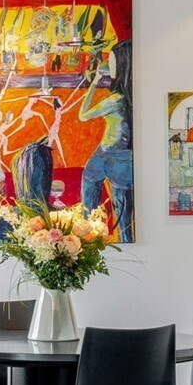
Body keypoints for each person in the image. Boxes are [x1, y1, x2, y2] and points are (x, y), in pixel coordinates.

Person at [77, 40, 134, 241]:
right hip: (122, 157)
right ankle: (125, 243)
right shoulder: (132, 98)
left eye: (112, 63)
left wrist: (93, 83)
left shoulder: (116, 99)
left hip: (108, 156)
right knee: (124, 218)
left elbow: (83, 115)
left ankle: (86, 239)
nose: (109, 67)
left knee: (91, 202)